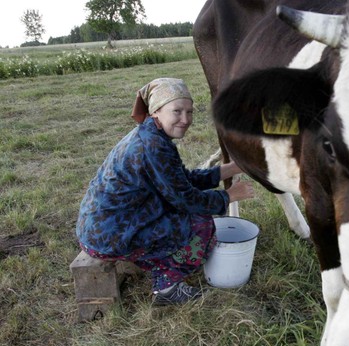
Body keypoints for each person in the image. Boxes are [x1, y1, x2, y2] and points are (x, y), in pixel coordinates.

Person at [76, 78, 254, 305]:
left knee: (182, 216)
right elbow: (186, 199)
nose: (186, 119)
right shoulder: (153, 146)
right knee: (200, 224)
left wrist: (229, 168)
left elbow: (181, 180)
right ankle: (168, 289)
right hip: (108, 237)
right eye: (177, 111)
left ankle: (156, 267)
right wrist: (229, 196)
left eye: (189, 112)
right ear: (156, 112)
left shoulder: (150, 136)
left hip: (102, 227)